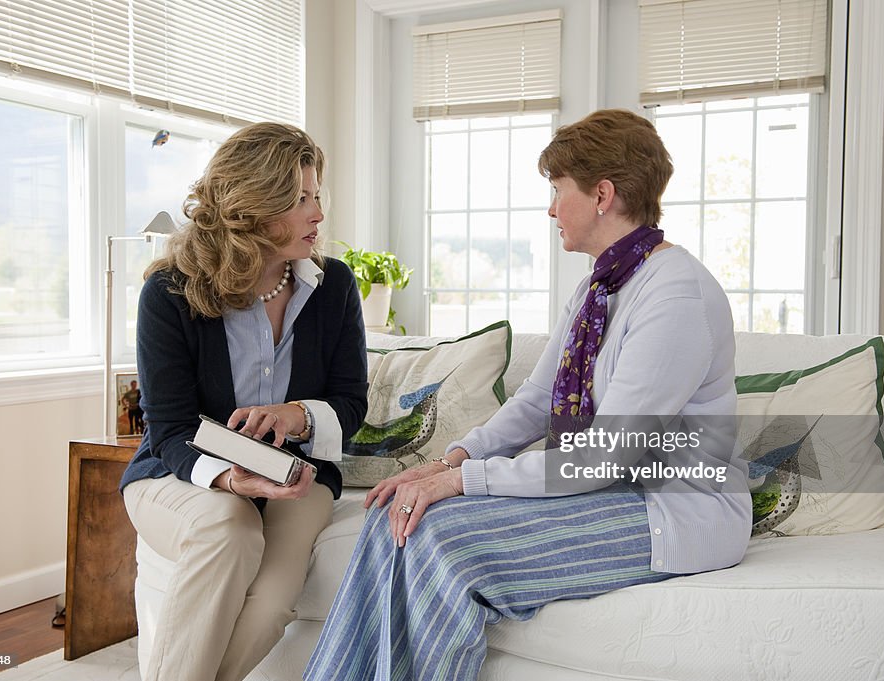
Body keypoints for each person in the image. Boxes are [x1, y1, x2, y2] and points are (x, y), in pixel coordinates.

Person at [304, 109, 751, 681]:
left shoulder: (675, 295)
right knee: (400, 508)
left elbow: (607, 458)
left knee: (442, 537)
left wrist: (464, 483)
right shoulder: (601, 285)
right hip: (607, 493)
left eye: (558, 190)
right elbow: (538, 401)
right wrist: (450, 461)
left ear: (602, 195)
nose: (550, 208)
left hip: (672, 511)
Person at [119, 122, 367, 681]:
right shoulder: (170, 292)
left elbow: (351, 404)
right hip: (177, 475)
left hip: (298, 477)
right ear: (253, 207)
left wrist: (298, 415)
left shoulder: (334, 287)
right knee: (229, 527)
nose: (318, 214)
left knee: (275, 597)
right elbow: (170, 426)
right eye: (300, 199)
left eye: (317, 196)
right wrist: (231, 479)